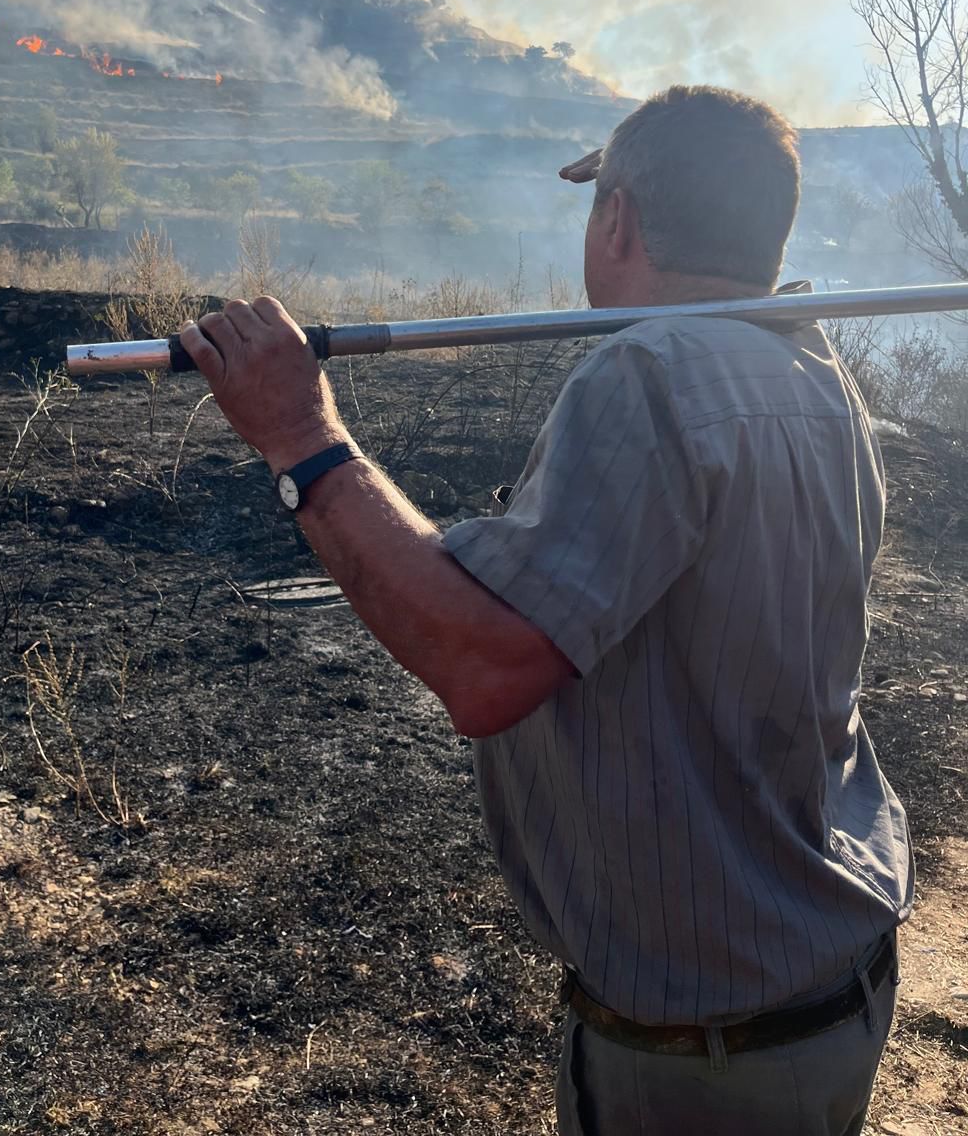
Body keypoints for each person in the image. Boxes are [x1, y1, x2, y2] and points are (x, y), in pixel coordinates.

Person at [179, 85, 912, 1136]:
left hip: (710, 1067)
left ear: (616, 219)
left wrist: (300, 436)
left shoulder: (651, 373)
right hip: (821, 986)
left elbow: (482, 666)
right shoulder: (810, 366)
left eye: (597, 205)